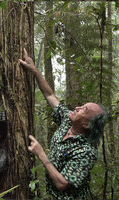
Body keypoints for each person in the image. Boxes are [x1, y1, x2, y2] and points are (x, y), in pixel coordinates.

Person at [19, 48, 107, 200]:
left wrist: (41, 154)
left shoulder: (86, 152)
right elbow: (49, 94)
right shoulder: (68, 119)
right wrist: (34, 70)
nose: (77, 108)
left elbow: (62, 183)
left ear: (86, 124)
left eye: (83, 110)